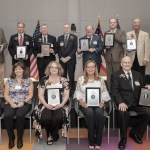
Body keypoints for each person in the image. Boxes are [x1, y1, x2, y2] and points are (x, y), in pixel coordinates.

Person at [111, 56, 150, 150]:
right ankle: (123, 139)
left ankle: (135, 133)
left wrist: (147, 87)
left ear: (132, 64)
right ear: (121, 64)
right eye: (125, 62)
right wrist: (120, 102)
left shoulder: (138, 74)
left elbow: (141, 87)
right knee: (122, 113)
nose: (127, 64)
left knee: (148, 112)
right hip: (123, 103)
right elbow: (114, 91)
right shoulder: (116, 75)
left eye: (129, 62)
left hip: (137, 102)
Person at [74, 60, 110, 149]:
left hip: (98, 104)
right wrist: (81, 102)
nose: (90, 68)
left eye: (92, 67)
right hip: (85, 104)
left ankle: (98, 141)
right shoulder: (81, 79)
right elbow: (77, 91)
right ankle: (91, 139)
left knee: (99, 113)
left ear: (95, 68)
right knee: (89, 113)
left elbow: (105, 92)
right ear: (85, 68)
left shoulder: (100, 79)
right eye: (88, 67)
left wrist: (103, 101)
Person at [33, 61, 69, 145]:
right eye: (52, 67)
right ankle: (50, 134)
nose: (54, 69)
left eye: (56, 67)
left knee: (58, 118)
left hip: (60, 104)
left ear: (59, 69)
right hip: (45, 104)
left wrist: (61, 104)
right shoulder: (43, 80)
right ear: (49, 69)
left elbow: (67, 94)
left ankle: (53, 133)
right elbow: (40, 94)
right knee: (46, 118)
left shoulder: (64, 80)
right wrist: (46, 105)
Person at [4, 62, 33, 149]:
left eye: (20, 68)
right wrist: (12, 103)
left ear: (24, 70)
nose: (18, 70)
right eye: (16, 69)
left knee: (20, 115)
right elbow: (6, 94)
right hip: (11, 102)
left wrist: (23, 102)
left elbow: (30, 95)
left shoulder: (29, 81)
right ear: (13, 70)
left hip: (25, 102)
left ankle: (20, 138)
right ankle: (11, 137)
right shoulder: (9, 81)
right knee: (7, 115)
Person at [105, 18, 126, 91]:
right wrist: (105, 45)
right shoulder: (106, 32)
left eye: (114, 22)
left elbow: (123, 40)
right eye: (111, 22)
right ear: (109, 24)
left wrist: (114, 35)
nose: (112, 24)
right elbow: (105, 44)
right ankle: (109, 90)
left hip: (117, 58)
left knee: (117, 75)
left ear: (116, 23)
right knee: (109, 75)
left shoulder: (121, 32)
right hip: (108, 57)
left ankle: (117, 91)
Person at [57, 24, 77, 96]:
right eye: (64, 28)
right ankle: (63, 89)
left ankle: (71, 90)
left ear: (69, 29)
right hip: (62, 60)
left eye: (67, 28)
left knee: (71, 75)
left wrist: (68, 57)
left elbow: (74, 48)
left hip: (71, 60)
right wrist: (61, 58)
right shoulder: (59, 38)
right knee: (63, 75)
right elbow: (58, 49)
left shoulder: (74, 37)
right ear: (63, 29)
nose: (66, 29)